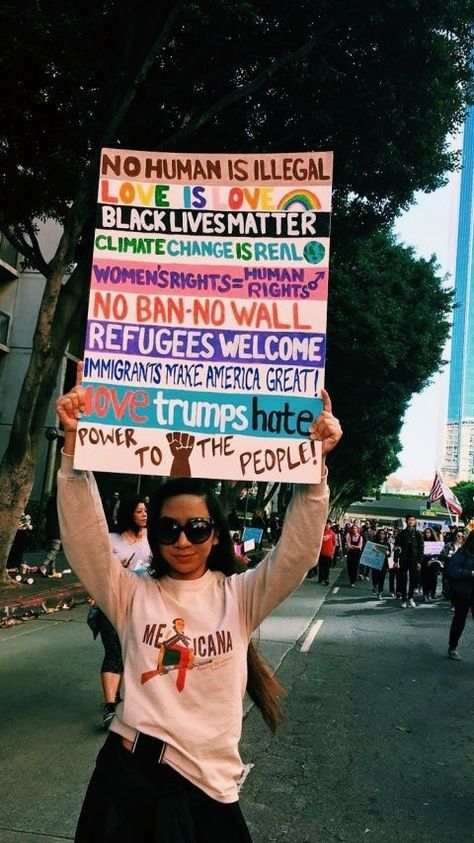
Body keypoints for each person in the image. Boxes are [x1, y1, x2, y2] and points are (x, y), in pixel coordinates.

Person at [55, 365, 342, 842]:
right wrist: (72, 450)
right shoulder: (131, 592)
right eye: (168, 529)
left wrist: (314, 473)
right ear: (155, 534)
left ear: (215, 536)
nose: (182, 541)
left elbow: (295, 555)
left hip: (211, 789)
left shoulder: (242, 595)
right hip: (129, 780)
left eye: (198, 528)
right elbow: (84, 540)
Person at [94, 496, 152, 727]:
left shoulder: (155, 539)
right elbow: (99, 569)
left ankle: (131, 699)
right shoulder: (112, 540)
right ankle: (110, 707)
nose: (145, 514)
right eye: (139, 511)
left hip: (143, 605)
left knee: (138, 653)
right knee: (114, 652)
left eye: (146, 510)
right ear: (129, 514)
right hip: (112, 603)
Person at [447, 530, 474, 660]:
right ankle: (452, 647)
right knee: (459, 620)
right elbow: (452, 571)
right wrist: (470, 573)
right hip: (462, 593)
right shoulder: (462, 553)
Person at [393, 514, 423, 608]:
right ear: (406, 521)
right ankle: (403, 599)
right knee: (403, 579)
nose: (411, 521)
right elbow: (397, 547)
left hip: (414, 560)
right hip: (403, 559)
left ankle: (410, 597)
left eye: (413, 520)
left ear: (415, 522)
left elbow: (421, 548)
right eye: (409, 520)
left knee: (413, 579)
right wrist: (396, 560)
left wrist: (419, 561)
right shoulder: (401, 534)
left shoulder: (418, 534)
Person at [39, 491, 62, 578]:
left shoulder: (51, 501)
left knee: (53, 549)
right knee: (54, 549)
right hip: (56, 528)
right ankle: (43, 566)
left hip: (49, 526)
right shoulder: (60, 502)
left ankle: (53, 570)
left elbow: (46, 514)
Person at [439, 528, 465, 599]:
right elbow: (442, 555)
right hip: (449, 568)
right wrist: (448, 557)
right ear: (455, 536)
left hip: (460, 569)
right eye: (458, 536)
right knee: (449, 585)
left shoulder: (465, 547)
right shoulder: (449, 545)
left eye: (462, 536)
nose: (460, 538)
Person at [421, 527, 440, 603]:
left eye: (428, 532)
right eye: (426, 532)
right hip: (424, 563)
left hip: (433, 564)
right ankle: (425, 594)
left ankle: (429, 593)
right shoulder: (422, 542)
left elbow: (437, 553)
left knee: (432, 579)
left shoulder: (435, 542)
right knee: (424, 579)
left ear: (431, 533)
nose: (427, 534)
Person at [371, 528, 391, 598]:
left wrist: (388, 552)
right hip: (375, 562)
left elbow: (389, 554)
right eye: (380, 533)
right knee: (375, 577)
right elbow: (370, 551)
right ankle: (374, 586)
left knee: (381, 578)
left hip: (384, 563)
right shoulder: (374, 542)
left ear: (385, 535)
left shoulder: (387, 544)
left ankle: (380, 592)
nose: (381, 535)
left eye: (383, 533)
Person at [316, 519, 337, 584]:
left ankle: (326, 579)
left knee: (327, 567)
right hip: (321, 552)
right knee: (321, 566)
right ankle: (320, 578)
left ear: (331, 525)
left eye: (329, 524)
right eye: (326, 524)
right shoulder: (321, 532)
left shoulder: (332, 533)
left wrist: (333, 553)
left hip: (329, 553)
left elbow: (334, 544)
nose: (327, 525)